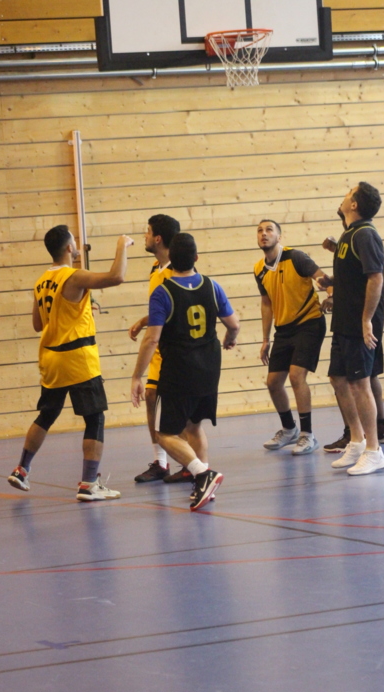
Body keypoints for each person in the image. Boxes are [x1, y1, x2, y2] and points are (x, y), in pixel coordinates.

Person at [8, 225, 133, 500]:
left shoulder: (41, 281)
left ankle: (22, 470)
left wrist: (78, 311)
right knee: (94, 418)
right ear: (68, 247)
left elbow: (38, 324)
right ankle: (88, 484)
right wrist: (122, 245)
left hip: (51, 358)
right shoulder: (73, 276)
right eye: (74, 241)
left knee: (46, 415)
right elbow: (117, 276)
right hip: (77, 358)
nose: (77, 245)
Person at [131, 232, 240, 510]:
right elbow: (234, 324)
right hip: (209, 368)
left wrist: (136, 376)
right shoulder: (212, 286)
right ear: (196, 258)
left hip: (179, 370)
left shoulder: (163, 292)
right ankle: (204, 486)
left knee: (164, 434)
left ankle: (203, 474)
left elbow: (152, 339)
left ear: (170, 259)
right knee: (194, 425)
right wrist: (229, 339)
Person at [317, 182, 384, 475]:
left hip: (360, 320)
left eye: (349, 192)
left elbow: (375, 278)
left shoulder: (366, 234)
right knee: (338, 378)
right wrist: (332, 283)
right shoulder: (349, 234)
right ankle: (356, 441)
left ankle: (374, 450)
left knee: (360, 383)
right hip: (345, 319)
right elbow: (354, 275)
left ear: (355, 204)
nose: (345, 195)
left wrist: (366, 319)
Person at [128, 214, 193, 485]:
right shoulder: (156, 267)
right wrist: (144, 321)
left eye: (147, 232)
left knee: (184, 415)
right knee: (152, 397)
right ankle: (162, 462)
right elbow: (161, 310)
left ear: (157, 238)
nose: (144, 236)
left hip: (174, 351)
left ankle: (194, 465)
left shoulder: (179, 272)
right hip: (159, 349)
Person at [254, 219, 328, 455]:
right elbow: (266, 303)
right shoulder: (259, 269)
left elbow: (323, 278)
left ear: (279, 236)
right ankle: (289, 430)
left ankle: (307, 435)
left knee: (296, 376)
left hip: (309, 322)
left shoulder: (296, 257)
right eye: (260, 230)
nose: (264, 234)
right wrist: (265, 339)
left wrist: (331, 294)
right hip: (284, 330)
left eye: (269, 230)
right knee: (273, 382)